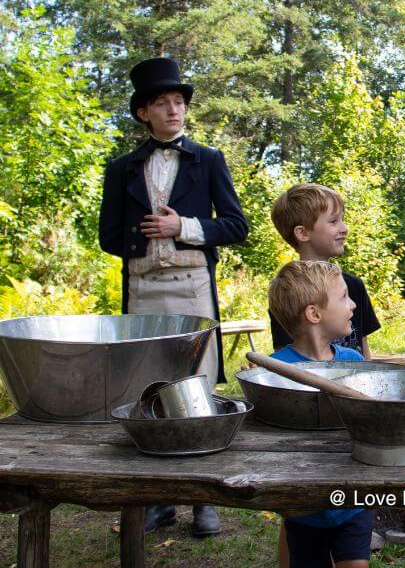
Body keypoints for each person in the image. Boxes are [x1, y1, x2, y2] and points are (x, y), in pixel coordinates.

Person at [98, 56, 248, 537]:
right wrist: (143, 240)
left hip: (192, 289)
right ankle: (158, 501)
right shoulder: (121, 168)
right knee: (150, 390)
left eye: (178, 102)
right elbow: (108, 237)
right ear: (143, 112)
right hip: (142, 290)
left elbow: (235, 226)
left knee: (198, 388)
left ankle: (203, 497)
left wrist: (179, 227)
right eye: (162, 103)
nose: (173, 111)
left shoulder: (208, 160)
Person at [267, 260, 374, 568]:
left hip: (353, 501)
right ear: (314, 314)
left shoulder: (353, 360)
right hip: (303, 506)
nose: (353, 305)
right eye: (343, 297)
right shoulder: (276, 369)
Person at [269, 183, 380, 360]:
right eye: (333, 221)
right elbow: (284, 357)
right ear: (303, 233)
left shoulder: (353, 286)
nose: (344, 228)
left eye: (342, 219)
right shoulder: (289, 292)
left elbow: (363, 345)